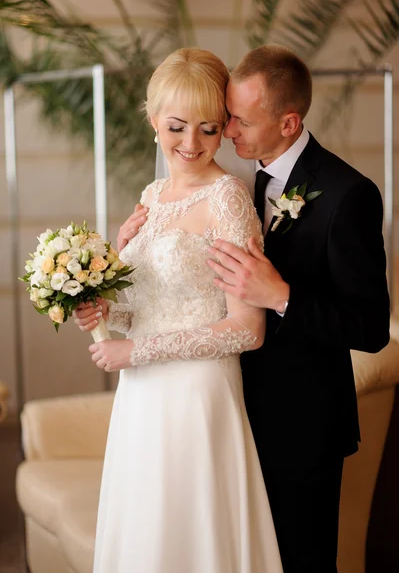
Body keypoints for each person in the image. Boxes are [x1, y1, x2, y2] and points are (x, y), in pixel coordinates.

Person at [119, 44, 391, 573]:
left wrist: (281, 297)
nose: (228, 132)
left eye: (237, 121)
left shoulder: (346, 194)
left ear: (289, 122)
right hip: (226, 408)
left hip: (300, 421)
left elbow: (371, 326)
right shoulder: (236, 185)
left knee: (299, 560)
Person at [73, 48, 283, 573]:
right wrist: (104, 307)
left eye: (210, 130)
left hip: (196, 396)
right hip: (141, 394)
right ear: (153, 120)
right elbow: (145, 305)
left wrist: (135, 349)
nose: (191, 144)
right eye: (177, 126)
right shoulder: (153, 194)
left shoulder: (229, 197)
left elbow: (247, 328)